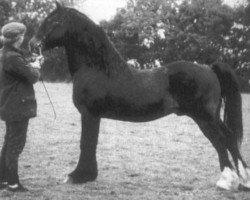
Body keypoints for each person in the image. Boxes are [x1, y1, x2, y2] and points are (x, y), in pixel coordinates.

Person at [0, 22, 42, 192]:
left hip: (9, 104)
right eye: (23, 35)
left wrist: (32, 62)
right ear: (18, 38)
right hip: (18, 105)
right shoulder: (13, 57)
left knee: (9, 142)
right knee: (15, 145)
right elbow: (32, 77)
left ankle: (3, 180)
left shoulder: (5, 54)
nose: (24, 37)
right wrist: (37, 66)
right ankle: (13, 183)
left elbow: (19, 69)